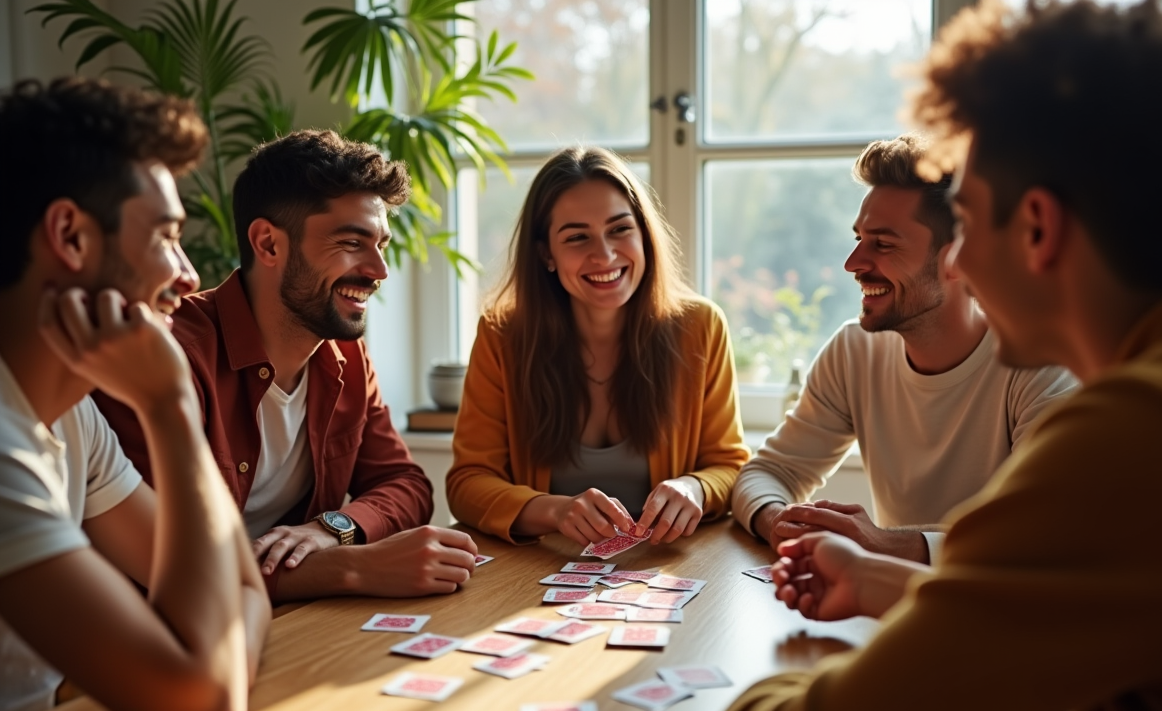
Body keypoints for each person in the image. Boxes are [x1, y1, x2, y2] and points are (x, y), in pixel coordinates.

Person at [697, 1, 1162, 711]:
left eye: (968, 220)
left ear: (1037, 228)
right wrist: (874, 578)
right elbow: (1047, 610)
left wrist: (742, 690)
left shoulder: (1132, 432)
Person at [0, 77, 270, 711]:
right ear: (70, 235)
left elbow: (244, 586)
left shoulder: (70, 420)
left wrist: (221, 646)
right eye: (167, 238)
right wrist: (169, 405)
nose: (187, 275)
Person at [96, 130, 478, 602]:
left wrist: (332, 528)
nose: (379, 269)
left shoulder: (345, 354)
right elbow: (161, 562)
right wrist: (347, 568)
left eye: (380, 243)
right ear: (269, 245)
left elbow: (406, 485)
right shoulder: (167, 354)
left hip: (289, 623)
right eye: (352, 242)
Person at [733, 134, 1076, 562]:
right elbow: (768, 472)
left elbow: (1044, 535)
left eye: (883, 243)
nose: (853, 263)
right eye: (858, 238)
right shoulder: (854, 351)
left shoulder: (1040, 362)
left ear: (957, 259)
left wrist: (885, 543)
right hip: (887, 602)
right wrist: (776, 520)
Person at [447, 146, 749, 545]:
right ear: (546, 255)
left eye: (620, 229)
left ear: (644, 235)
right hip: (537, 570)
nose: (604, 254)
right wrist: (555, 510)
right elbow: (468, 484)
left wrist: (695, 487)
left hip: (667, 567)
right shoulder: (502, 333)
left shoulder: (701, 326)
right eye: (576, 237)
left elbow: (728, 466)